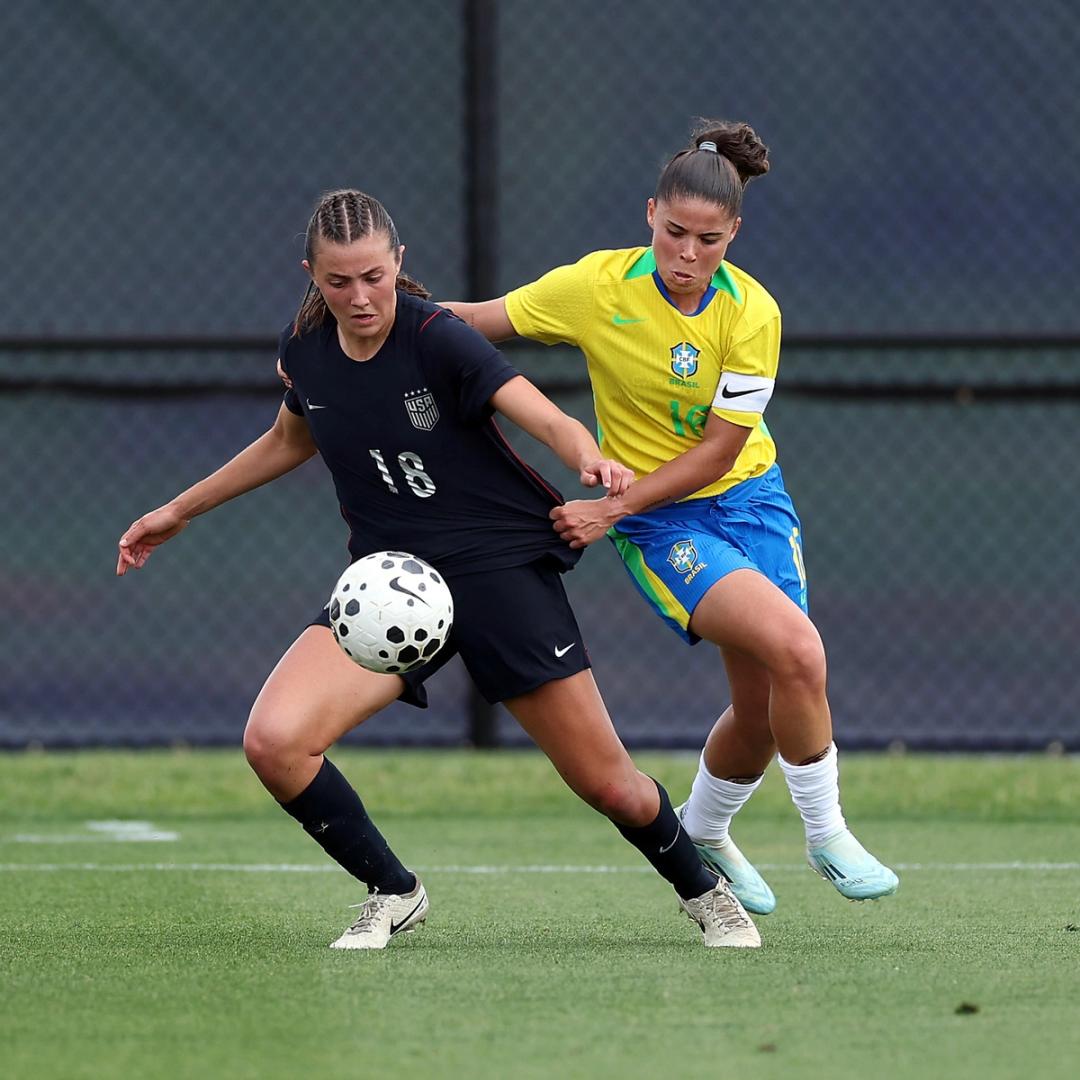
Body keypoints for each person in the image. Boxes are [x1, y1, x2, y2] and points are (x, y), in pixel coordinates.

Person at [116, 188, 760, 949]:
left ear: (399, 265)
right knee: (275, 741)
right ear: (311, 276)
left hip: (497, 571)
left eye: (374, 277)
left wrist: (586, 455)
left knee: (606, 781)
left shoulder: (438, 337)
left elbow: (539, 411)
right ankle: (392, 890)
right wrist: (179, 509)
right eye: (338, 282)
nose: (360, 297)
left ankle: (707, 892)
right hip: (392, 588)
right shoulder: (307, 350)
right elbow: (290, 441)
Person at [443, 121, 899, 914]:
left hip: (749, 500)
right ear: (650, 212)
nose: (688, 254)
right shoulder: (596, 287)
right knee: (798, 649)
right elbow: (475, 321)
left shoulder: (753, 312)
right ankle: (826, 833)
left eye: (710, 241)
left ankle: (705, 829)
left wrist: (606, 508)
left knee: (761, 710)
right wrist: (372, 310)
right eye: (674, 232)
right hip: (663, 525)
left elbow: (722, 452)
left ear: (736, 235)